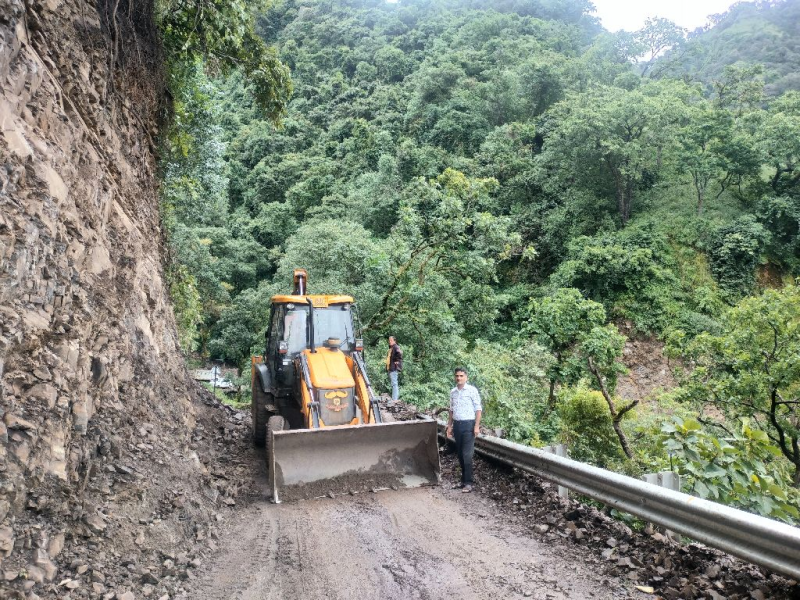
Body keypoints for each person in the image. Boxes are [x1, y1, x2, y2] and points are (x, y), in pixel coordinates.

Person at [446, 367, 482, 493]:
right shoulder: (453, 392)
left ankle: (469, 483)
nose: (459, 378)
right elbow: (451, 410)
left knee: (467, 455)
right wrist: (449, 426)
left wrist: (476, 426)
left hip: (468, 425)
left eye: (461, 376)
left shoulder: (472, 390)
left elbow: (478, 409)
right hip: (457, 425)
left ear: (466, 377)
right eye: (457, 376)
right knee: (460, 454)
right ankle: (463, 481)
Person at [385, 336, 403, 403]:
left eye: (391, 340)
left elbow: (400, 353)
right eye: (389, 340)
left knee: (394, 383)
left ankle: (394, 399)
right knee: (393, 383)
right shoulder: (391, 348)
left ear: (394, 341)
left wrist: (397, 361)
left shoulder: (396, 347)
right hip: (390, 368)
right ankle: (394, 398)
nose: (389, 341)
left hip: (394, 368)